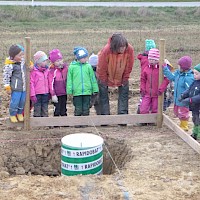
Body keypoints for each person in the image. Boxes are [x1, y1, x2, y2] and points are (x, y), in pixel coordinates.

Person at [96, 33, 134, 118]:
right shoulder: (106, 51)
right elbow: (102, 68)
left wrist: (125, 78)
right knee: (103, 95)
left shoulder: (129, 50)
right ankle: (104, 117)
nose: (123, 49)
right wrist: (104, 80)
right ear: (115, 46)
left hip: (122, 74)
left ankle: (122, 116)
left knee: (124, 95)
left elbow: (129, 66)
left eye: (124, 47)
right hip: (106, 75)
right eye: (120, 47)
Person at [162, 56, 194, 131]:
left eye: (179, 65)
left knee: (183, 113)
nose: (178, 66)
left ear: (184, 67)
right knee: (177, 112)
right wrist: (165, 69)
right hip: (177, 98)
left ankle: (184, 126)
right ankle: (182, 122)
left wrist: (187, 98)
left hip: (183, 100)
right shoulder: (178, 73)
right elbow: (171, 77)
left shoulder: (188, 78)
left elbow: (190, 90)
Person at [67, 47, 99, 117]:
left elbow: (92, 78)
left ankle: (85, 122)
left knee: (86, 108)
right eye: (83, 58)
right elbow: (69, 79)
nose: (85, 59)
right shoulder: (72, 67)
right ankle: (78, 122)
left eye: (86, 57)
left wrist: (95, 89)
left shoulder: (88, 67)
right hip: (77, 92)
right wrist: (69, 90)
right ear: (78, 58)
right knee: (78, 108)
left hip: (87, 91)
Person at [140, 48, 169, 116]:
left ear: (157, 60)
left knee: (155, 109)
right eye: (150, 59)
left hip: (157, 93)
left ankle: (153, 121)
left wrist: (161, 88)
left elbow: (166, 79)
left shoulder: (161, 69)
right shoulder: (146, 68)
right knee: (143, 108)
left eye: (154, 59)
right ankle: (144, 121)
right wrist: (142, 88)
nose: (151, 61)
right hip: (147, 93)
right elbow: (143, 79)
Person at [3, 44, 26, 123]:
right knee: (15, 101)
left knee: (22, 101)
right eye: (20, 55)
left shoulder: (22, 62)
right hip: (16, 88)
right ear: (14, 56)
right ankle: (12, 114)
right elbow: (6, 76)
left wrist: (31, 65)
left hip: (24, 87)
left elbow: (28, 64)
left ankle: (19, 113)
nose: (22, 56)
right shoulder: (10, 65)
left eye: (22, 54)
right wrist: (7, 87)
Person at [178, 63, 200, 140]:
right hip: (195, 107)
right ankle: (195, 133)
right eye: (194, 73)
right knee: (195, 120)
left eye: (196, 74)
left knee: (199, 120)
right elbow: (189, 90)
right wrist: (183, 95)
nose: (194, 75)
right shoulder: (195, 82)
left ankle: (198, 134)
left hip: (198, 106)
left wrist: (191, 100)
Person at [137, 39, 156, 113]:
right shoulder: (148, 60)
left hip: (145, 82)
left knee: (143, 98)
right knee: (147, 100)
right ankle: (145, 115)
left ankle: (142, 112)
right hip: (148, 82)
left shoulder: (143, 58)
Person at [48, 49, 68, 116]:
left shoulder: (65, 69)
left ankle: (64, 121)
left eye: (60, 60)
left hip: (64, 93)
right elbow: (51, 83)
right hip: (57, 94)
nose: (60, 62)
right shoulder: (52, 71)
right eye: (57, 61)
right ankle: (56, 122)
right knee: (57, 108)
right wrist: (53, 94)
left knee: (64, 107)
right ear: (53, 62)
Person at [30, 51, 49, 117]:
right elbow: (31, 83)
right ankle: (37, 123)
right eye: (43, 61)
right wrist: (32, 94)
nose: (46, 62)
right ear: (38, 62)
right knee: (37, 108)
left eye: (46, 61)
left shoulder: (47, 70)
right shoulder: (34, 71)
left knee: (45, 108)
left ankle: (45, 123)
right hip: (37, 94)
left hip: (46, 93)